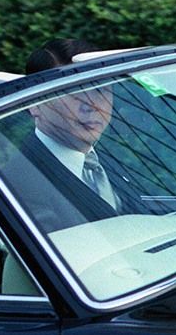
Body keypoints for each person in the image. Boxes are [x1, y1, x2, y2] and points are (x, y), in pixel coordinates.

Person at [9, 37, 143, 233]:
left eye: (99, 89)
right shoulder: (18, 186)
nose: (92, 105)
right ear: (34, 104)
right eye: (74, 91)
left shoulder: (110, 160)